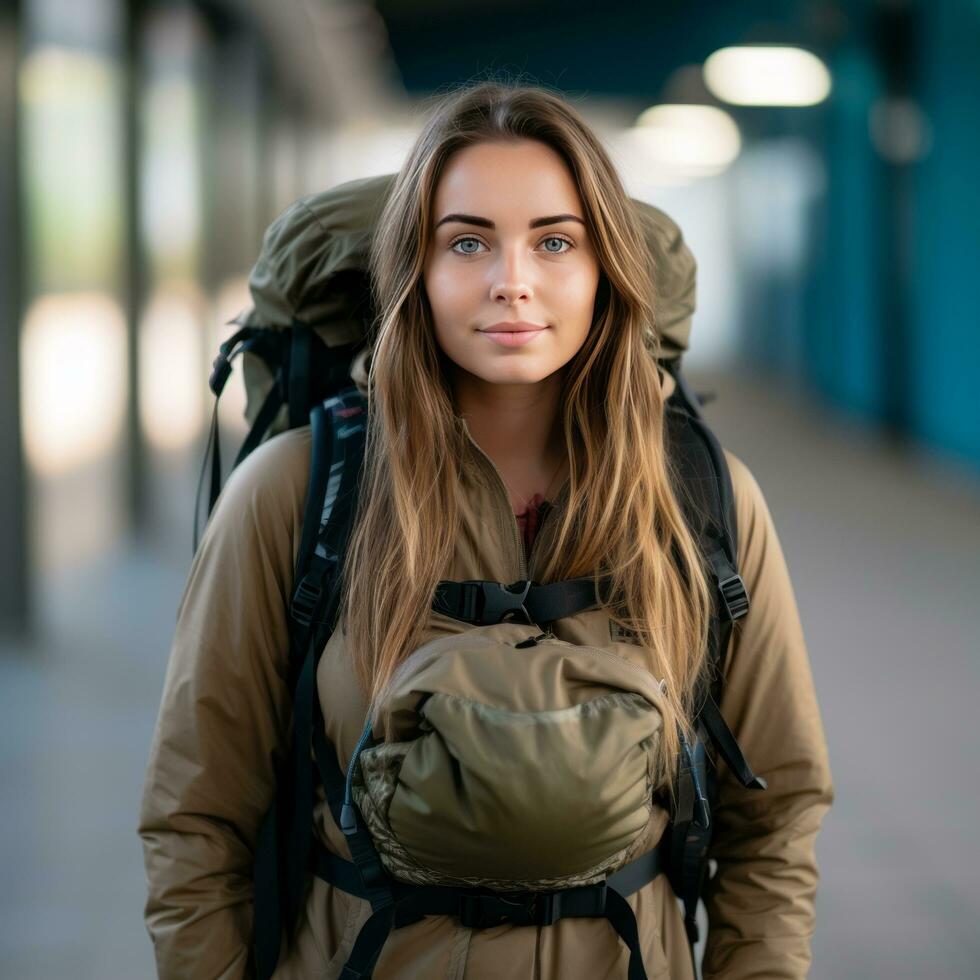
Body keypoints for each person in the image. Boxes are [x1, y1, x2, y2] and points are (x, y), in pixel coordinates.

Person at [138, 80, 833, 979]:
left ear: (605, 270)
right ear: (413, 273)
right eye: (467, 242)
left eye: (555, 242)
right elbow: (196, 818)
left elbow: (775, 812)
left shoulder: (700, 499)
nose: (513, 281)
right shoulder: (298, 494)